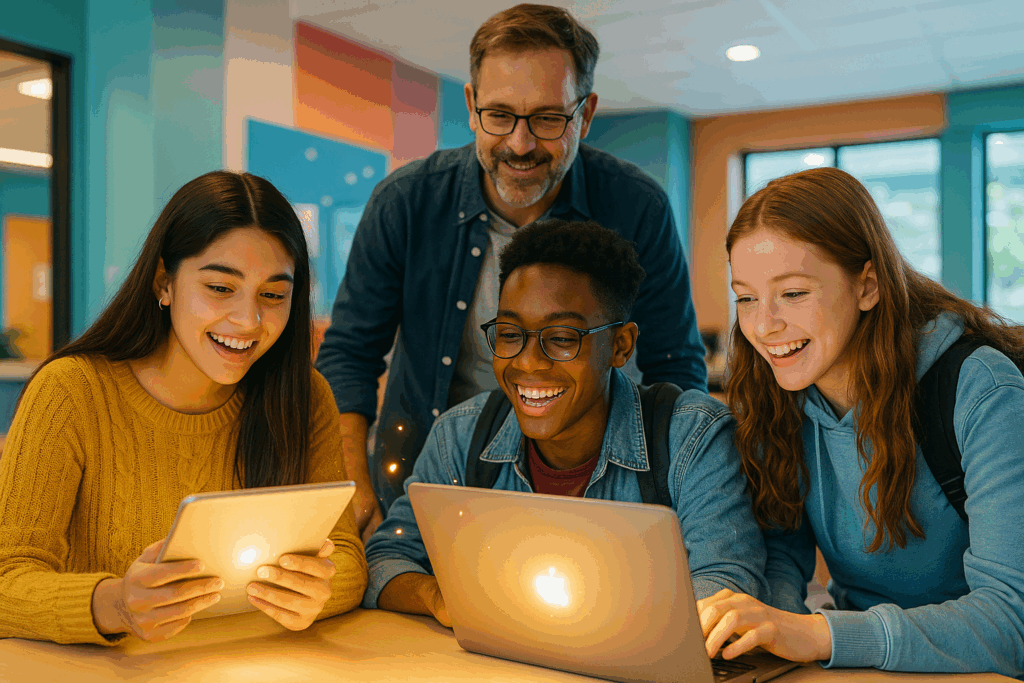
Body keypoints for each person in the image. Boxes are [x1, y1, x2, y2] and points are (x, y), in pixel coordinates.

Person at [315, 3, 707, 539]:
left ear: (585, 114)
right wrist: (354, 486)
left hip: (593, 494)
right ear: (472, 105)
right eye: (500, 116)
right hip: (434, 485)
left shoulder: (637, 207)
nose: (520, 145)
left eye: (547, 119)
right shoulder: (405, 203)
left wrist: (676, 492)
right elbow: (349, 357)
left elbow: (675, 366)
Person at [0, 171, 368, 645]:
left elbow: (347, 559)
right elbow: (7, 578)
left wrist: (320, 589)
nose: (248, 320)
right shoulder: (71, 392)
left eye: (273, 295)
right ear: (164, 282)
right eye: (220, 288)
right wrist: (115, 604)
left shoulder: (303, 396)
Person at [698, 167, 1024, 678]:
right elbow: (782, 547)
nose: (763, 326)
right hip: (861, 665)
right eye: (745, 297)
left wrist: (815, 634)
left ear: (867, 285)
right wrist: (762, 631)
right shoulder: (778, 393)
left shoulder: (980, 389)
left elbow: (1010, 624)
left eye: (794, 293)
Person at [361, 219, 766, 624]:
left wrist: (581, 626)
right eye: (509, 332)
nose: (528, 362)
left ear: (620, 346)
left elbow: (727, 586)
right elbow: (387, 558)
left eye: (562, 338)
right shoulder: (459, 436)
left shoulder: (692, 440)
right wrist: (439, 596)